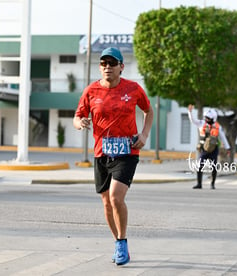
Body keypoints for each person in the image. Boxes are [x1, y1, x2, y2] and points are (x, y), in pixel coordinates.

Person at [73, 47, 154, 266]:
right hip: (102, 153)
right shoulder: (91, 91)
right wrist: (80, 123)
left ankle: (123, 241)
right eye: (103, 63)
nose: (107, 67)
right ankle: (118, 242)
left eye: (112, 63)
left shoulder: (133, 88)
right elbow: (78, 115)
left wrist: (144, 134)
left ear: (121, 67)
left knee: (116, 197)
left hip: (127, 151)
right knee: (106, 203)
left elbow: (149, 110)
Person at [187, 104, 230, 189]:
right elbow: (193, 120)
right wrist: (190, 112)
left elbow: (223, 138)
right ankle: (199, 184)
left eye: (208, 118)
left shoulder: (218, 127)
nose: (206, 119)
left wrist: (228, 148)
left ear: (213, 118)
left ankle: (212, 184)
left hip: (214, 149)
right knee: (200, 166)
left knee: (214, 167)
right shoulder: (201, 123)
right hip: (204, 149)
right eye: (206, 117)